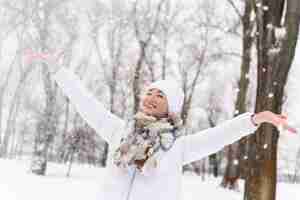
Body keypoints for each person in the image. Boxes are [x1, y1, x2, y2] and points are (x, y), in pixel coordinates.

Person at [30, 54, 296, 200]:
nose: (151, 98)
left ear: (172, 107)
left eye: (160, 95)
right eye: (149, 92)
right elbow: (86, 104)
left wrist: (255, 119)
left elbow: (218, 136)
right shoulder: (120, 130)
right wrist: (59, 71)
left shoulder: (177, 145)